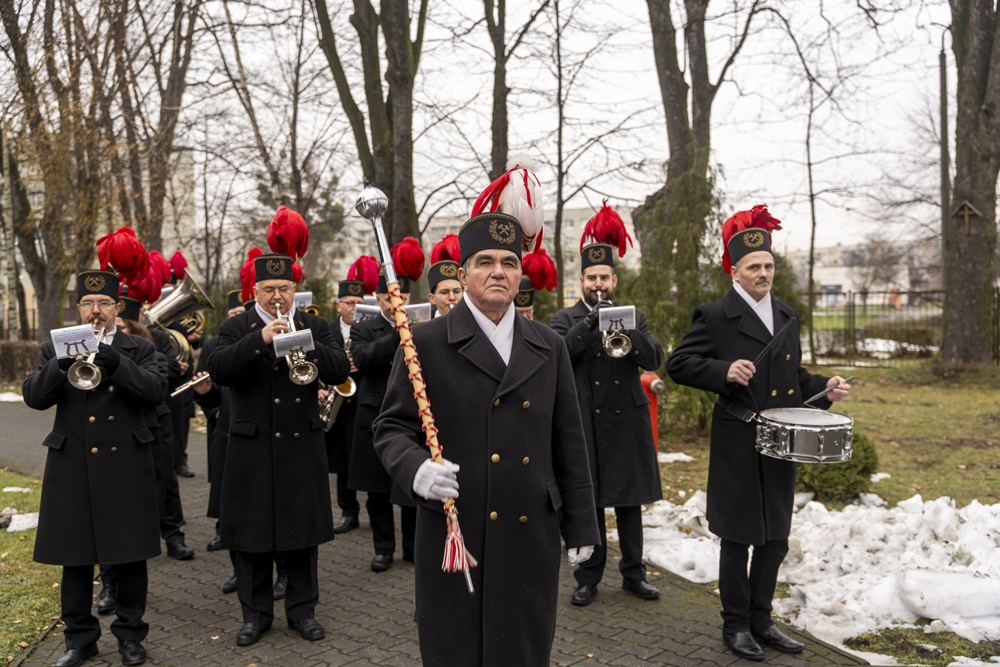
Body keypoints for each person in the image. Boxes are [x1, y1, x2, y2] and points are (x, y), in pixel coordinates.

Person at [373, 210, 601, 666]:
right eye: (484, 261)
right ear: (463, 273)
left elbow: (569, 441)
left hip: (529, 533)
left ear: (520, 273)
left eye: (509, 262)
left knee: (521, 649)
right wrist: (416, 468)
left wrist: (582, 523)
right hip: (457, 530)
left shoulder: (548, 344)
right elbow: (391, 428)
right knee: (455, 649)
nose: (498, 271)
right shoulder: (425, 342)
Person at [666, 205, 851, 662]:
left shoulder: (786, 315)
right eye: (754, 267)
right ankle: (735, 625)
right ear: (735, 270)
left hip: (782, 440)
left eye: (768, 265)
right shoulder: (714, 315)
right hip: (739, 439)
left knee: (776, 536)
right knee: (739, 535)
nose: (763, 273)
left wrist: (824, 388)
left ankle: (763, 620)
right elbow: (678, 364)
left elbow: (794, 378)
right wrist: (724, 370)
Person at [205, 251, 350, 647]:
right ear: (255, 291)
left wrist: (302, 342)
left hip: (301, 446)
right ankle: (256, 616)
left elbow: (339, 368)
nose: (277, 296)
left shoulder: (315, 325)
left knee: (301, 534)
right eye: (268, 289)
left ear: (294, 289)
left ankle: (303, 613)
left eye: (284, 288)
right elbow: (218, 369)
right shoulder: (237, 327)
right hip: (251, 448)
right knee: (251, 537)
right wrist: (262, 339)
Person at [23, 270, 163, 667]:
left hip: (125, 464)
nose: (96, 310)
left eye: (104, 303)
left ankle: (131, 636)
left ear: (117, 309)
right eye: (88, 303)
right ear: (79, 308)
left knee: (130, 555)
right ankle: (80, 639)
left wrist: (115, 361)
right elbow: (33, 397)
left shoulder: (138, 347)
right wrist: (64, 357)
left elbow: (155, 393)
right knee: (76, 557)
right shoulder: (56, 345)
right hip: (73, 463)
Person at [550, 232, 664, 607]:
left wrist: (626, 329)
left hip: (627, 424)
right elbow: (560, 357)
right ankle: (588, 578)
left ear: (615, 281)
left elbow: (654, 359)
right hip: (585, 421)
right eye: (592, 277)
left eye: (605, 277)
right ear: (581, 281)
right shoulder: (564, 318)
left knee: (630, 504)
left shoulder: (635, 315)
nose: (598, 283)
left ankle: (634, 574)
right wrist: (590, 324)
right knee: (590, 503)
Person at [348, 271, 416, 571]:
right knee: (377, 491)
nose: (394, 302)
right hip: (373, 415)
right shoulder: (365, 328)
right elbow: (362, 358)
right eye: (389, 297)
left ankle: (413, 547)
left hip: (411, 416)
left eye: (400, 296)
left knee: (411, 485)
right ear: (377, 299)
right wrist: (397, 333)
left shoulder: (423, 326)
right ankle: (383, 549)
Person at [323, 277, 365, 533]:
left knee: (367, 457)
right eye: (349, 303)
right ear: (339, 305)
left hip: (362, 403)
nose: (354, 308)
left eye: (359, 303)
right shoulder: (327, 331)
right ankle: (348, 512)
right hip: (338, 403)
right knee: (341, 460)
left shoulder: (368, 330)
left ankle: (373, 507)